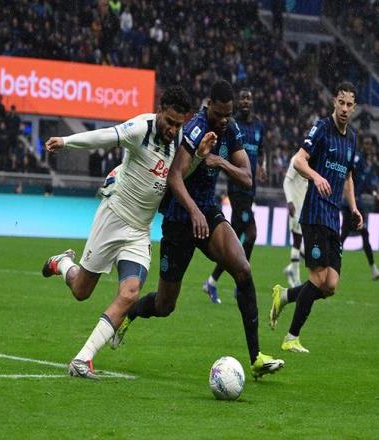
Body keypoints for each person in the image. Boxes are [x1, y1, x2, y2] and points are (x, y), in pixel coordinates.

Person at [112, 80, 285, 379]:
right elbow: (174, 176)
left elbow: (247, 178)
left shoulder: (231, 130)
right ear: (209, 106)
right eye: (219, 114)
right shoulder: (195, 128)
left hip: (207, 212)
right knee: (165, 305)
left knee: (243, 269)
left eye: (228, 114)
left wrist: (220, 162)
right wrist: (192, 211)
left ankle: (256, 357)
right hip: (180, 218)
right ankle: (132, 312)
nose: (224, 120)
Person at [41, 86, 215, 379]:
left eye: (178, 124)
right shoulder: (140, 128)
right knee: (82, 290)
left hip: (139, 230)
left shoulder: (180, 140)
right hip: (113, 217)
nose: (173, 129)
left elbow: (176, 175)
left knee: (130, 293)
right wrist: (66, 142)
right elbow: (104, 136)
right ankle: (63, 264)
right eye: (169, 122)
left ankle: (82, 359)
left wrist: (197, 156)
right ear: (160, 111)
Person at [269, 82, 363, 353]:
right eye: (341, 102)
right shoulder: (321, 128)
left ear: (354, 108)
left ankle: (285, 295)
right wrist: (316, 176)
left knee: (330, 285)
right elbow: (299, 161)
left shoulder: (351, 138)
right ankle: (291, 337)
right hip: (314, 213)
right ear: (334, 101)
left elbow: (348, 177)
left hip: (333, 216)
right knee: (318, 278)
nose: (344, 108)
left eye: (349, 104)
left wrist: (354, 208)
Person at [202, 88, 265, 304]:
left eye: (249, 98)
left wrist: (262, 166)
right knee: (252, 234)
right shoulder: (231, 125)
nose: (245, 101)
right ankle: (241, 281)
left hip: (251, 187)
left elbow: (261, 150)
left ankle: (212, 281)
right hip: (237, 190)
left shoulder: (259, 125)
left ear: (252, 101)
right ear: (238, 102)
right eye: (243, 98)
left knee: (234, 243)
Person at [340, 148, 379, 280]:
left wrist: (375, 195)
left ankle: (331, 267)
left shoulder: (364, 166)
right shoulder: (356, 158)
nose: (369, 146)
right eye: (367, 144)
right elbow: (348, 176)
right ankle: (331, 267)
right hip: (351, 205)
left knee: (347, 236)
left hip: (354, 204)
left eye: (370, 144)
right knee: (346, 237)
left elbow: (365, 184)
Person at [282, 154, 308, 288]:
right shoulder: (296, 159)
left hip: (306, 209)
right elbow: (286, 181)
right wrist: (290, 202)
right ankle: (296, 280)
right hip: (296, 208)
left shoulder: (312, 161)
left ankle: (291, 269)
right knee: (297, 242)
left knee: (307, 249)